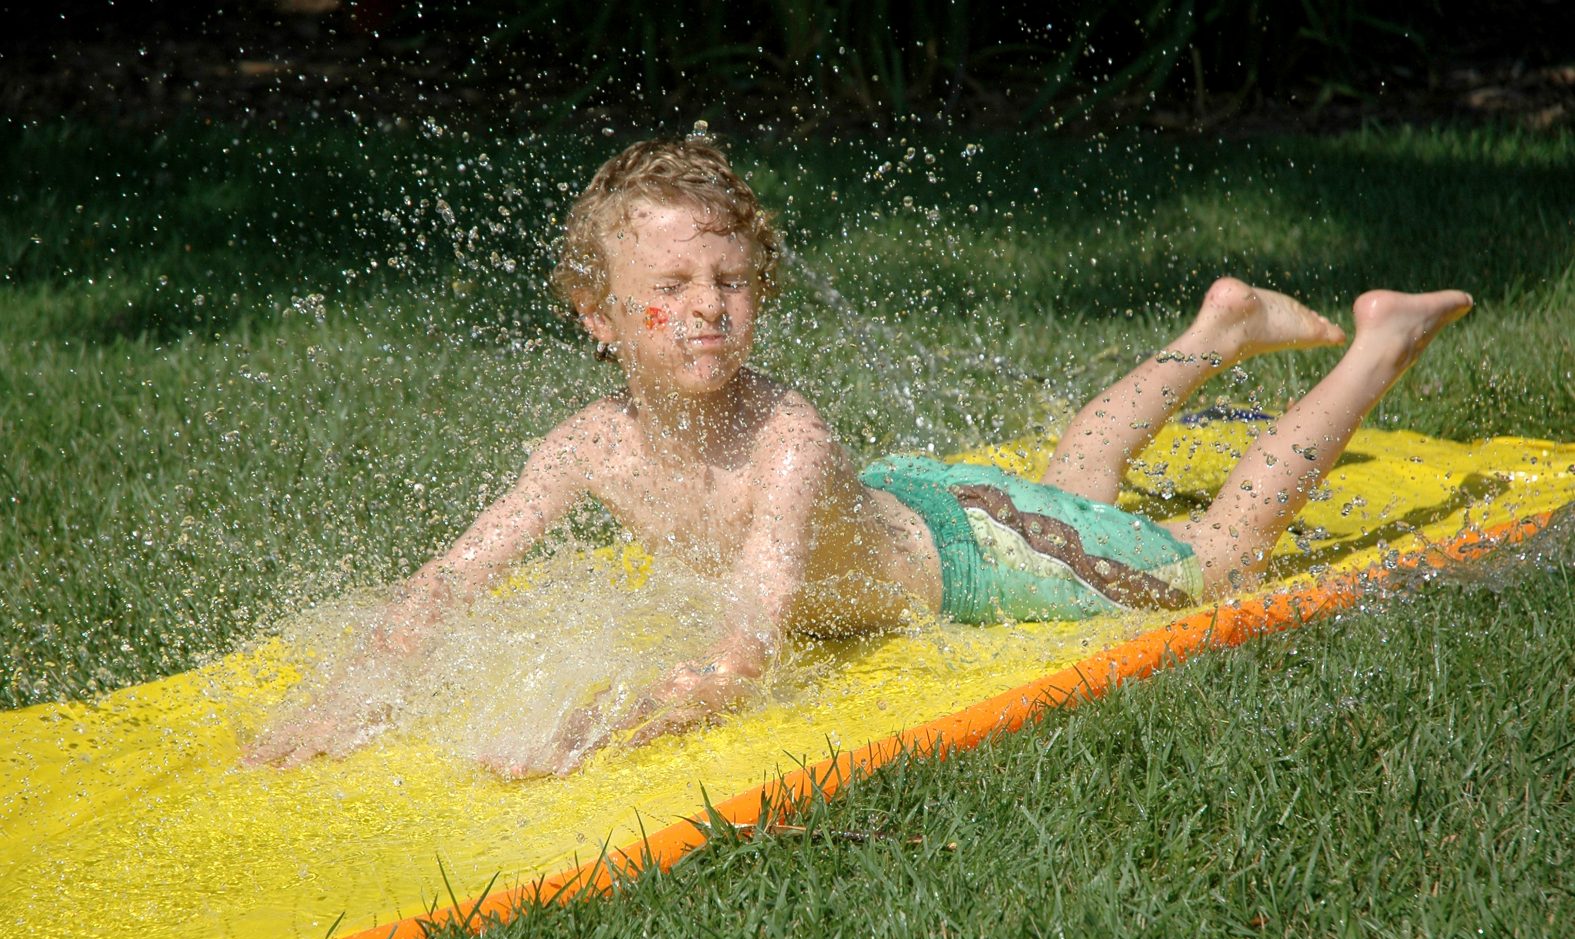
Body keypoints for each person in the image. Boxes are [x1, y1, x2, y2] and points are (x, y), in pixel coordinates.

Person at [246, 137, 1473, 773]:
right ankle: (1222, 328)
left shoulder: (787, 440)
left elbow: (754, 629)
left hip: (977, 560)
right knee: (1075, 481)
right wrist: (358, 684)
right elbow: (459, 573)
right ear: (599, 316)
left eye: (729, 279)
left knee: (1211, 564)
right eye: (667, 286)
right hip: (914, 508)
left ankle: (1379, 341)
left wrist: (652, 705)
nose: (708, 308)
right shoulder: (583, 449)